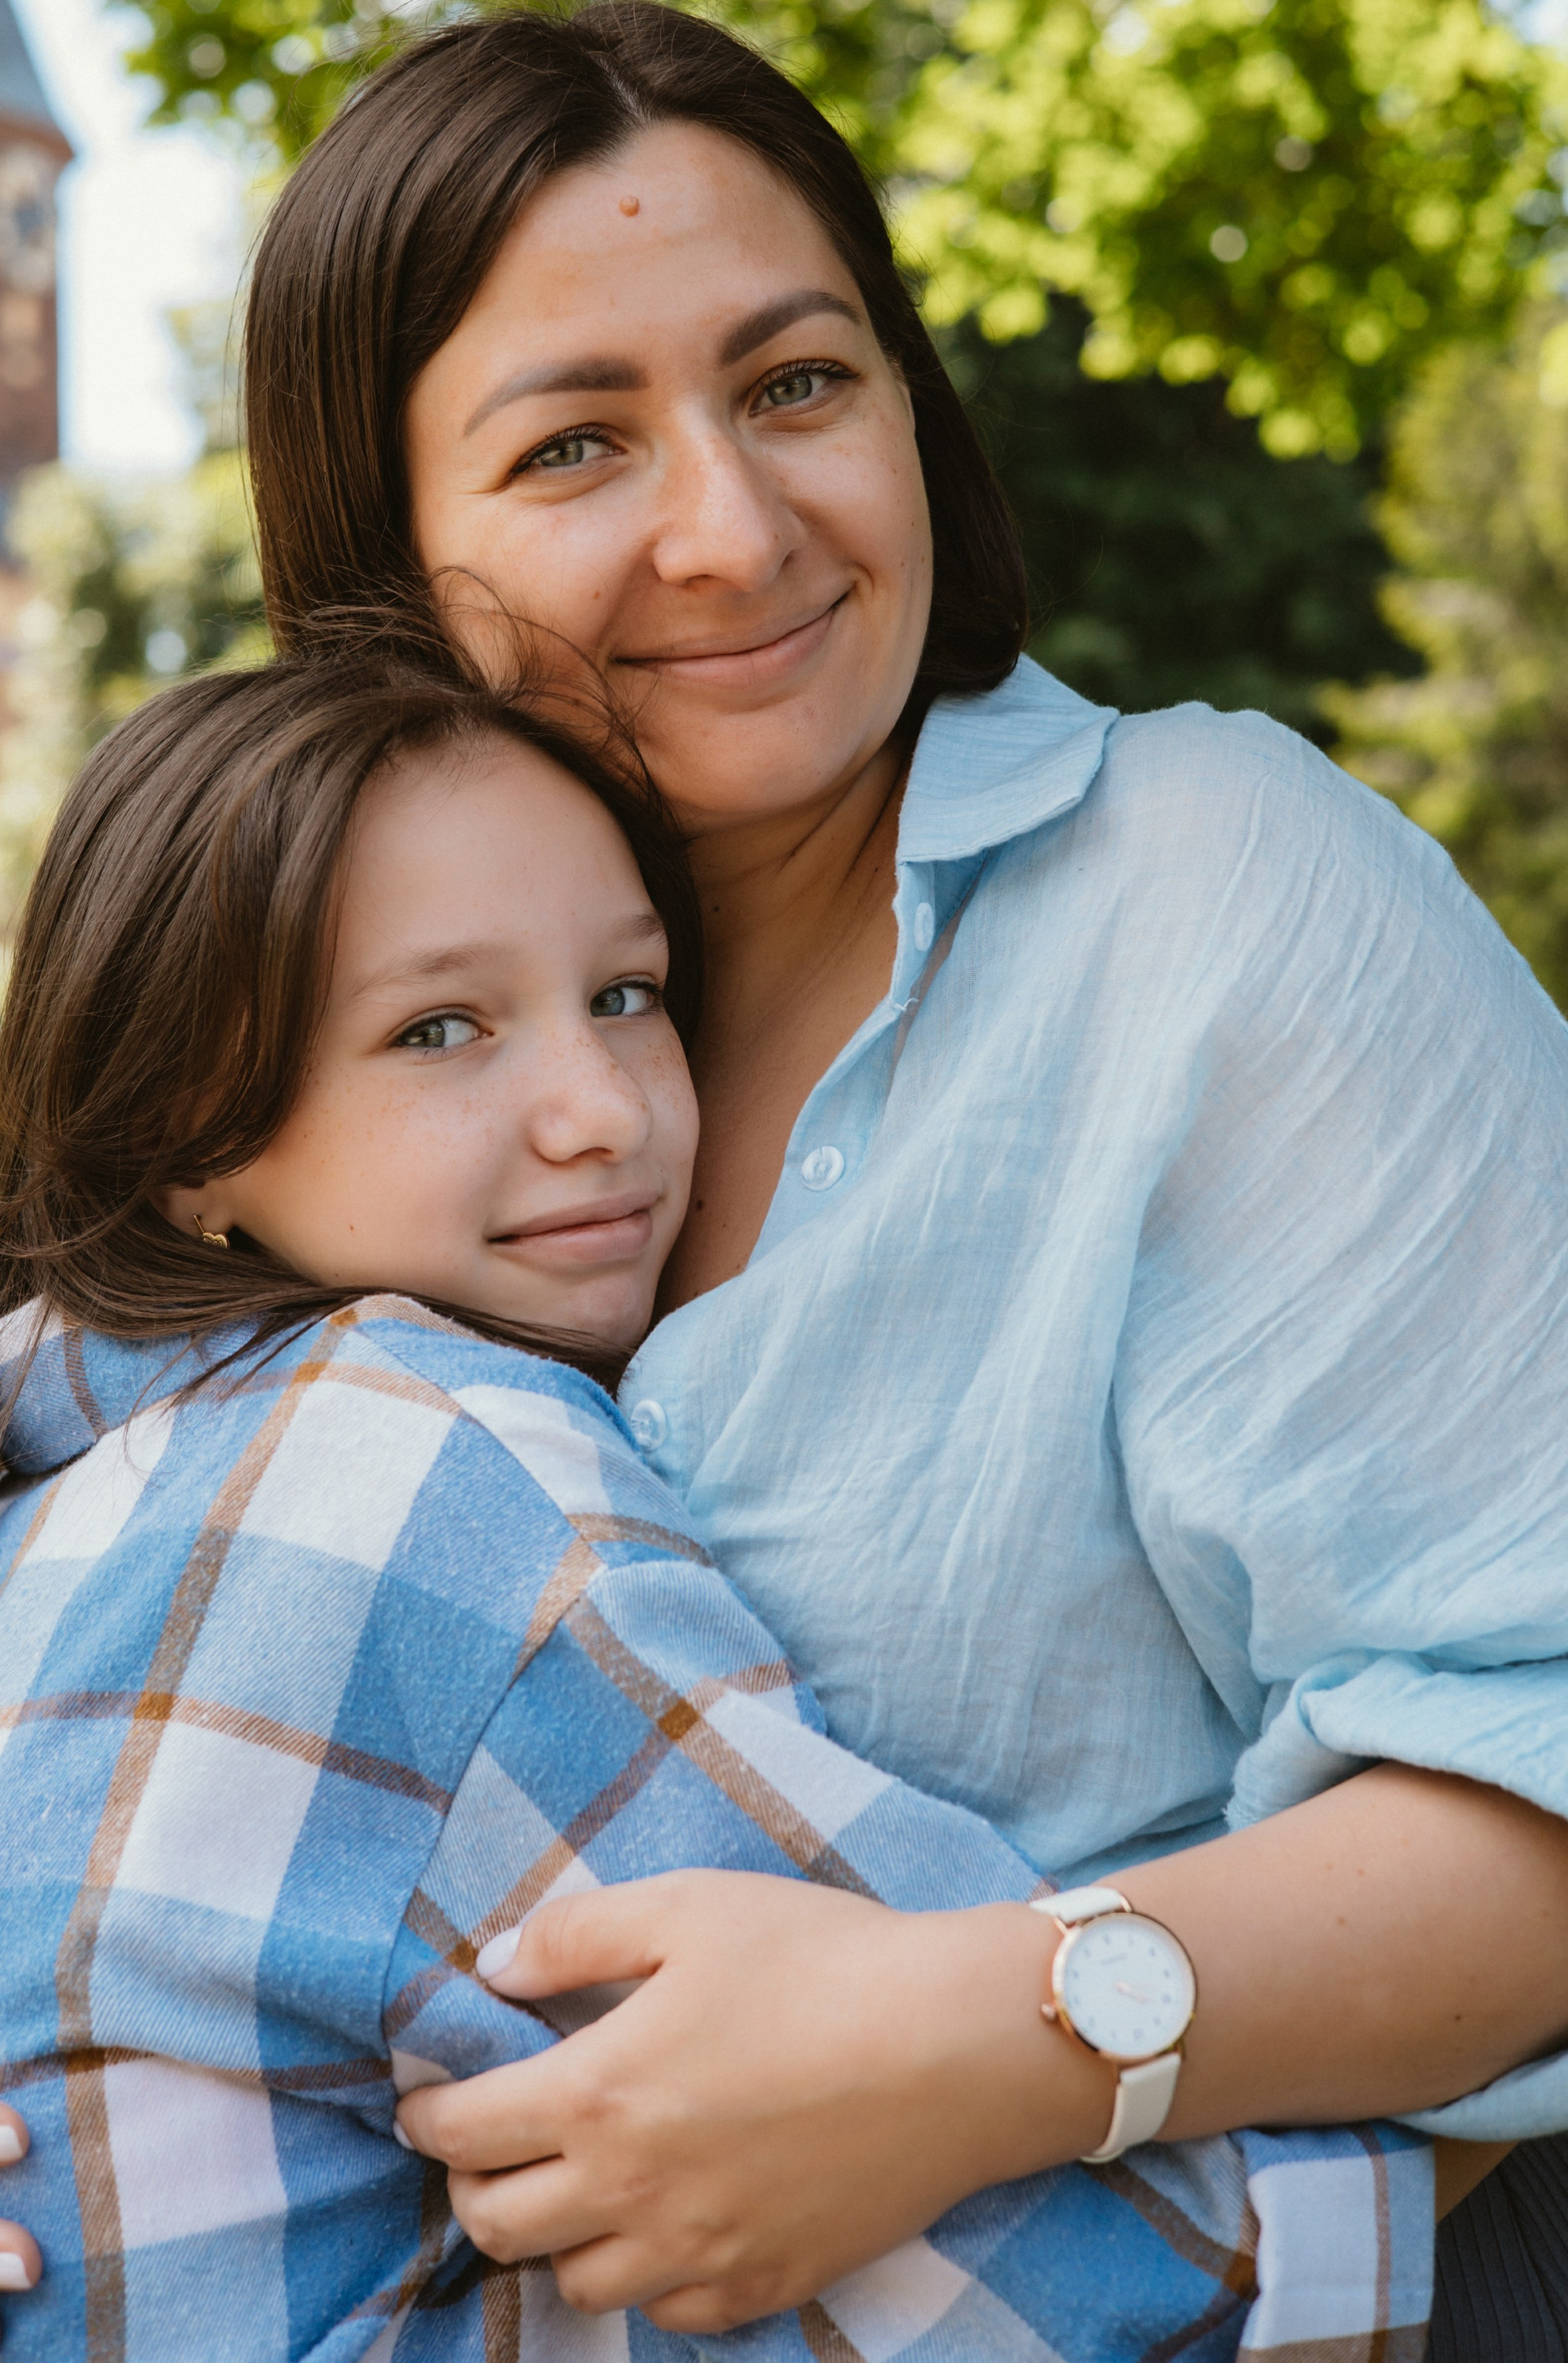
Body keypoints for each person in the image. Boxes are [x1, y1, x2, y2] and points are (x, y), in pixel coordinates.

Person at [214, 0, 1568, 2352]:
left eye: (798, 382)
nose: (736, 524)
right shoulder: (278, 1027)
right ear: (377, 553)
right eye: (578, 442)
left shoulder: (1210, 891)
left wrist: (981, 2041)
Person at [0, 646, 1439, 2360]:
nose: (603, 1113)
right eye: (439, 1028)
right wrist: (1468, 2112)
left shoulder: (78, 1474)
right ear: (187, 1138)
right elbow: (1030, 2261)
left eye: (627, 993)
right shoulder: (429, 1466)